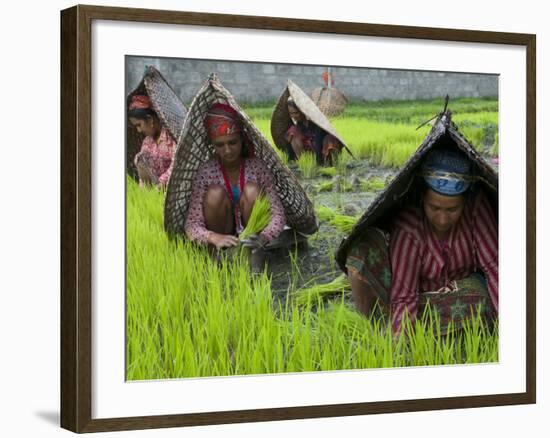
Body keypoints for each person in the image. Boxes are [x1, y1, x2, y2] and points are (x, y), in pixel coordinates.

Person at [346, 148, 498, 334]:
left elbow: (495, 268)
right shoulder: (410, 226)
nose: (442, 219)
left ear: (465, 203)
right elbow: (404, 295)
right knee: (363, 253)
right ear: (422, 198)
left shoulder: (476, 210)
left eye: (452, 210)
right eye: (434, 208)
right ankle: (379, 327)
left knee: (480, 300)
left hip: (462, 295)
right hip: (419, 299)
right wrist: (400, 348)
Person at [184, 103, 286, 252]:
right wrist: (214, 237)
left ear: (242, 140)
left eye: (232, 142)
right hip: (222, 232)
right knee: (214, 194)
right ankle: (222, 252)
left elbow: (278, 213)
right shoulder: (206, 171)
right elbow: (192, 224)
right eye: (220, 145)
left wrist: (264, 237)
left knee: (252, 190)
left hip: (254, 235)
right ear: (213, 145)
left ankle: (254, 251)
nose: (227, 150)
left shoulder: (257, 167)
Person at [128, 94, 176, 188]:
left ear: (150, 120)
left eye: (139, 125)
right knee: (140, 158)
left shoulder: (171, 138)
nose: (139, 130)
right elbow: (144, 171)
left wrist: (162, 183)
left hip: (172, 187)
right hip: (155, 190)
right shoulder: (147, 142)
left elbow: (176, 165)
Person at [285, 97, 343, 164]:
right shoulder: (298, 125)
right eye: (291, 113)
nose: (293, 116)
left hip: (321, 150)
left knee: (330, 139)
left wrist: (318, 162)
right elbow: (289, 143)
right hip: (308, 153)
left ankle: (329, 163)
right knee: (292, 130)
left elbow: (318, 141)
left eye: (296, 113)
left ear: (302, 111)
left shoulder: (316, 121)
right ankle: (303, 162)